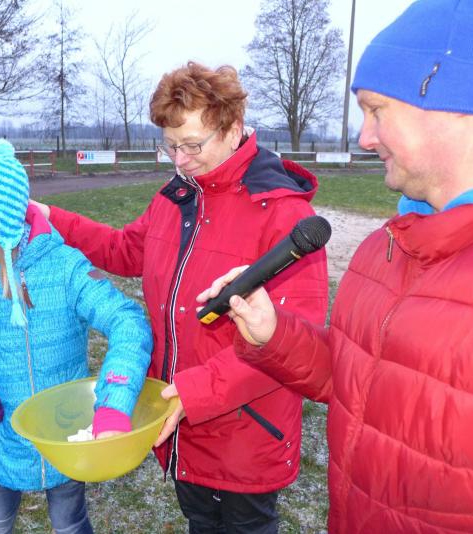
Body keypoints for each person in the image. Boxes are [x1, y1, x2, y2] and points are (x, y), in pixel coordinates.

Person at [200, 1, 473, 532]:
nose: (365, 137)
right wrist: (274, 336)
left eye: (377, 110)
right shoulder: (386, 248)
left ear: (458, 102)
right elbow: (364, 385)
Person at [34, 62, 328, 532]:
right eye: (170, 146)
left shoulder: (283, 215)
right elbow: (124, 249)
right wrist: (52, 217)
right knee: (199, 522)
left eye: (193, 145)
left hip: (245, 430)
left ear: (233, 130)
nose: (180, 160)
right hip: (183, 423)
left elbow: (294, 340)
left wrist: (194, 394)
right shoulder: (175, 200)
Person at [0, 139, 152, 533]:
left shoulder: (65, 267)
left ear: (5, 210)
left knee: (70, 521)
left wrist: (115, 401)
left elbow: (128, 321)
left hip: (64, 435)